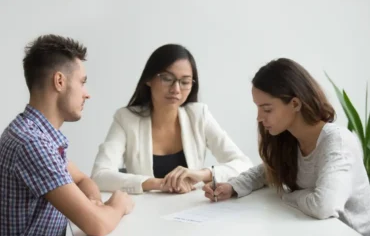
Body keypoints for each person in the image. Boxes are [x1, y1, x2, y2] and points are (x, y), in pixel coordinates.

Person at [0, 34, 134, 236]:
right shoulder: (33, 143)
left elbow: (82, 179)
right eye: (82, 82)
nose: (87, 93)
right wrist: (118, 204)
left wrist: (94, 201)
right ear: (59, 82)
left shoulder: (34, 133)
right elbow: (97, 225)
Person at [203, 58, 370, 236]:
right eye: (258, 108)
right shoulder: (290, 139)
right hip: (317, 235)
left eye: (267, 109)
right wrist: (233, 187)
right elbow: (266, 171)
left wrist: (290, 196)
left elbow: (324, 206)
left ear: (295, 104)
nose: (259, 117)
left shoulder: (337, 142)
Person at [91, 44, 253, 194]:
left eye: (185, 82)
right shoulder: (126, 119)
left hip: (189, 212)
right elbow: (99, 176)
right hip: (143, 213)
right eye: (167, 79)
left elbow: (244, 164)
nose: (176, 89)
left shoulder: (198, 115)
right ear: (149, 79)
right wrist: (160, 183)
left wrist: (201, 174)